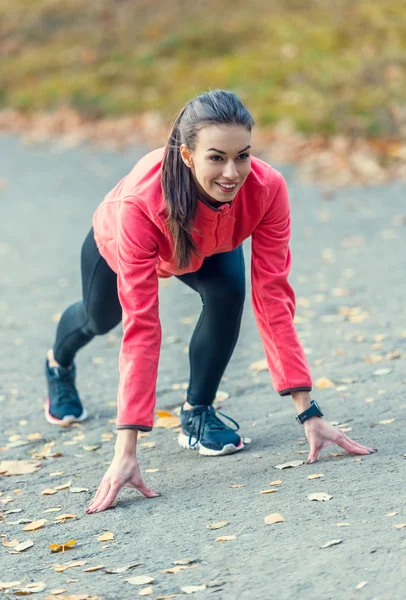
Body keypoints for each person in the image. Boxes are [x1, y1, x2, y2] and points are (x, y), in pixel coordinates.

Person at [44, 90, 377, 514]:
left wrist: (308, 411)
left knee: (227, 296)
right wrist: (126, 450)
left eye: (243, 156)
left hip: (211, 243)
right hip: (124, 244)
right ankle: (58, 363)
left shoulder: (267, 188)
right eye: (216, 157)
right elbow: (143, 327)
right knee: (99, 318)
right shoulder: (140, 205)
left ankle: (197, 412)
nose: (232, 172)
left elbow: (273, 297)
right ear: (187, 155)